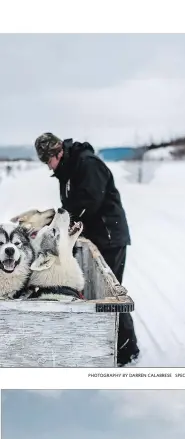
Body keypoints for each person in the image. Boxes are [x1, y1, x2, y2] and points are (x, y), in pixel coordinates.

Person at [34, 133, 139, 366]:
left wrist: (63, 222)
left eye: (47, 160)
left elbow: (88, 201)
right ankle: (106, 341)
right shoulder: (68, 170)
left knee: (111, 295)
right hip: (95, 238)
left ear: (57, 153)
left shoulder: (87, 164)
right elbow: (70, 205)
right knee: (98, 293)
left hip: (109, 237)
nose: (47, 166)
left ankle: (127, 350)